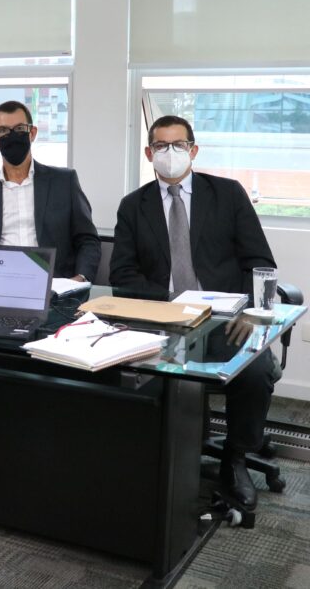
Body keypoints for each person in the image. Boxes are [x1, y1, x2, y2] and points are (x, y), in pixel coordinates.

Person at [109, 114, 277, 509]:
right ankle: (153, 463)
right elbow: (122, 274)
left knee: (254, 372)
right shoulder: (133, 206)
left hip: (225, 320)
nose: (171, 153)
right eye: (162, 146)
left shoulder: (228, 195)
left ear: (193, 150)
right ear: (149, 154)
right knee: (127, 372)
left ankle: (235, 459)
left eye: (179, 145)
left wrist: (250, 312)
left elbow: (259, 262)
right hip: (163, 323)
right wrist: (170, 302)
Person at [0, 100, 100, 281]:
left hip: (54, 288)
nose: (12, 136)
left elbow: (88, 240)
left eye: (19, 129)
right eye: (3, 131)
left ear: (32, 133)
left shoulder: (64, 182)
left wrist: (79, 279)